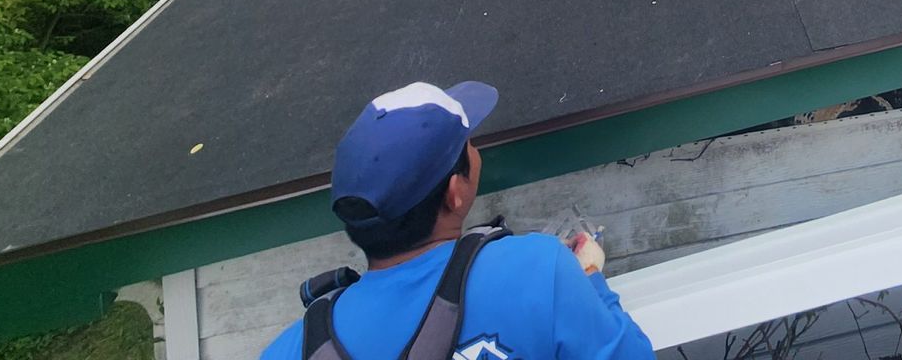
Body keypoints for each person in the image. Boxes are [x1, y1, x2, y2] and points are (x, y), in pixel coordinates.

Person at [260, 80, 654, 360]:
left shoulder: (290, 349)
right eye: (468, 144)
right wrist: (588, 279)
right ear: (455, 192)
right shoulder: (538, 270)